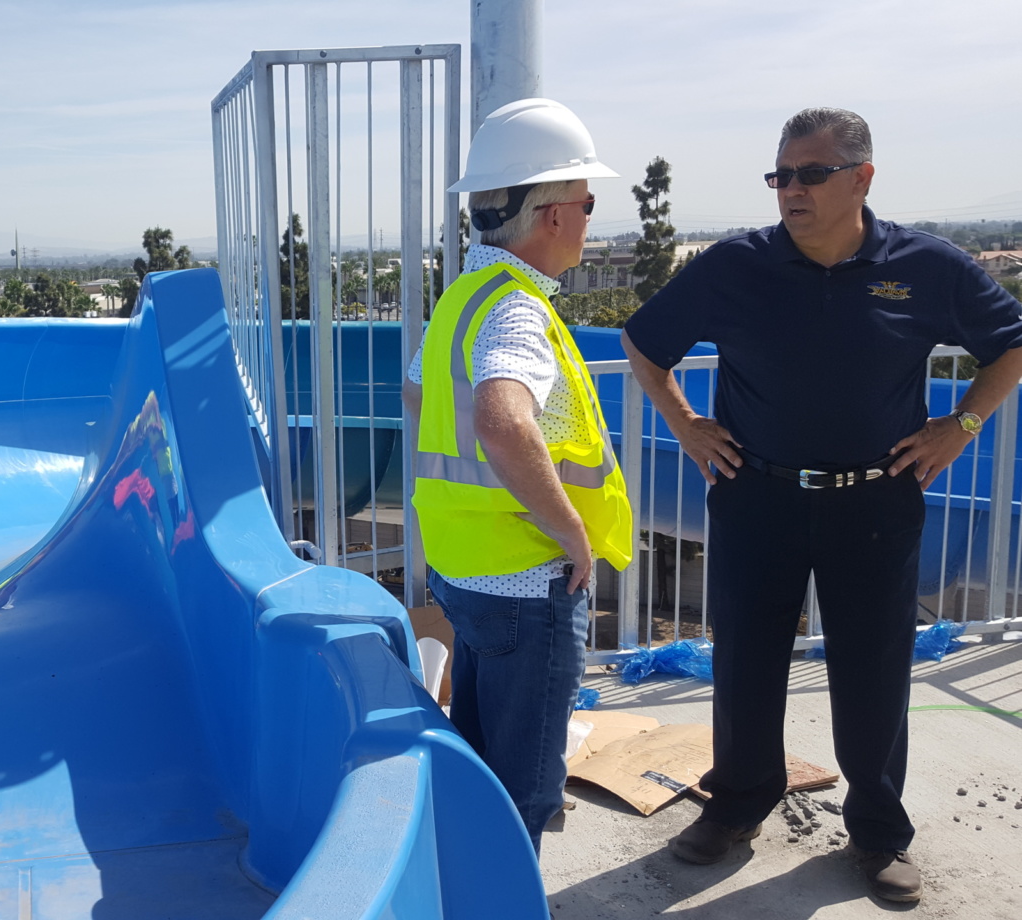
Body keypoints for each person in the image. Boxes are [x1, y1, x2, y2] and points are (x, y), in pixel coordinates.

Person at [621, 107, 1022, 903]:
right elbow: (644, 343)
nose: (790, 190)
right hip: (755, 493)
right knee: (744, 662)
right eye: (780, 175)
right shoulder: (734, 265)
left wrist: (962, 424)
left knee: (875, 669)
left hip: (876, 499)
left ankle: (877, 832)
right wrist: (686, 423)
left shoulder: (927, 266)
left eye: (810, 174)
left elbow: (1010, 342)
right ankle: (737, 805)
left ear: (862, 178)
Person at [402, 98, 634, 854]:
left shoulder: (463, 298)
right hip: (527, 581)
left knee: (476, 763)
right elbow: (502, 422)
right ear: (552, 214)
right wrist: (570, 533)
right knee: (524, 788)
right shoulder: (515, 309)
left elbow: (418, 391)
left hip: (465, 570)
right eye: (588, 204)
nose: (591, 220)